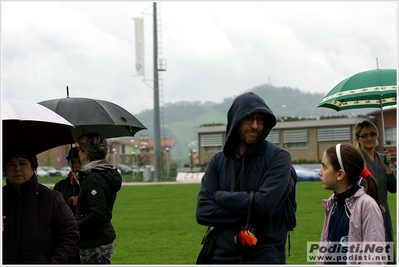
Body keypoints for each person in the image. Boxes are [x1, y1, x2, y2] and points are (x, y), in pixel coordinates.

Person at [196, 92, 293, 264]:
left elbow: (266, 205)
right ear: (236, 120)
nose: (255, 126)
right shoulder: (218, 161)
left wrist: (220, 196)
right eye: (249, 119)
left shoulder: (278, 158)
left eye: (260, 120)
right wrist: (252, 208)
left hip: (265, 255)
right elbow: (203, 212)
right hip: (220, 256)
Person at [2, 142, 80, 264]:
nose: (17, 168)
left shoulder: (52, 199)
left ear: (32, 166)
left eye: (23, 163)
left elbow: (70, 237)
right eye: (11, 164)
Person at [317, 143, 387, 264]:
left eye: (324, 167)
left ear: (340, 174)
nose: (320, 172)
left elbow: (374, 257)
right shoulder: (332, 202)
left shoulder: (367, 205)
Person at [75, 131, 122, 264]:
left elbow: (97, 214)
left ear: (86, 153)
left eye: (80, 150)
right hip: (100, 238)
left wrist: (74, 226)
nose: (78, 153)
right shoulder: (103, 172)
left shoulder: (93, 178)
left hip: (95, 242)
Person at [354, 120, 396, 249]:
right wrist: (359, 174)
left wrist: (388, 166)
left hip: (384, 213)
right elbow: (349, 189)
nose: (369, 138)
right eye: (364, 135)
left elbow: (393, 188)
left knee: (387, 252)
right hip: (363, 215)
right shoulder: (355, 159)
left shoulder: (382, 159)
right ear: (358, 138)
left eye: (373, 134)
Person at [54, 147, 81, 215]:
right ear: (69, 163)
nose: (77, 165)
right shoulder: (60, 185)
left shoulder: (89, 183)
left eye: (79, 162)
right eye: (73, 162)